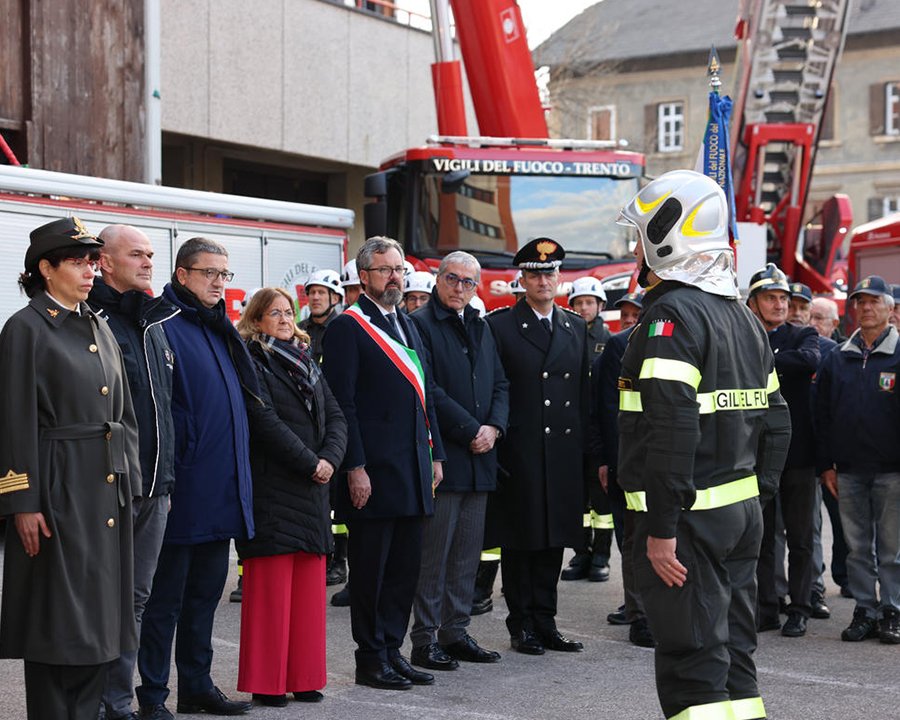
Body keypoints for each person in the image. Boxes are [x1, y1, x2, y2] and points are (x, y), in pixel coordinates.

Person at [617, 170, 791, 720]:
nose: (637, 247)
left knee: (692, 657)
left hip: (685, 525)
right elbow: (777, 422)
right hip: (739, 517)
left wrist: (663, 531)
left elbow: (671, 432)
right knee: (734, 652)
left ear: (669, 233)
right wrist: (756, 498)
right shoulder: (744, 317)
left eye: (643, 234)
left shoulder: (671, 316)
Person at [0, 217, 141, 720]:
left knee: (99, 633)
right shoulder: (26, 328)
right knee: (57, 626)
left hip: (103, 491)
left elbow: (122, 413)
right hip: (57, 490)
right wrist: (21, 502)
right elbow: (13, 422)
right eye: (78, 262)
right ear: (46, 268)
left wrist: (130, 483)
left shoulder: (97, 324)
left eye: (91, 261)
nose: (90, 270)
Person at [136, 237, 256, 719]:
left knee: (204, 597)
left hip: (221, 489)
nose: (219, 283)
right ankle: (152, 696)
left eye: (224, 275)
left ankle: (197, 686)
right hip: (182, 491)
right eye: (210, 274)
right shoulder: (162, 324)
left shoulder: (217, 324)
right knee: (164, 603)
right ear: (182, 275)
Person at [322, 236, 446, 690]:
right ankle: (370, 657)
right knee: (372, 573)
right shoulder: (347, 328)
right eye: (383, 270)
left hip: (412, 469)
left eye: (398, 269)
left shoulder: (408, 325)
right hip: (373, 473)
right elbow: (343, 405)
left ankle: (394, 649)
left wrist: (436, 455)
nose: (394, 277)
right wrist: (354, 466)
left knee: (403, 571)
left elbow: (424, 396)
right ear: (364, 277)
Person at [234, 287, 348, 706]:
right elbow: (262, 419)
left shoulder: (307, 361)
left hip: (314, 487)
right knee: (271, 592)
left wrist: (330, 459)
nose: (284, 320)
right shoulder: (250, 359)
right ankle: (267, 684)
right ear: (257, 320)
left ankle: (304, 676)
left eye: (287, 312)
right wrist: (310, 463)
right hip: (275, 487)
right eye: (274, 314)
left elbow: (335, 415)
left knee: (306, 592)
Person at [88, 224, 180, 720]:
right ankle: (100, 702)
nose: (149, 263)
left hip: (156, 488)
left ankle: (118, 703)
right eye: (137, 255)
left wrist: (168, 479)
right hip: (111, 490)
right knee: (104, 601)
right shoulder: (89, 319)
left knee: (136, 601)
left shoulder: (155, 322)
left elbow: (167, 408)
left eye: (151, 255)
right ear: (103, 261)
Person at [486, 237, 589, 656]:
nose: (543, 280)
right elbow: (496, 388)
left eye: (549, 273)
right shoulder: (500, 326)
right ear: (522, 279)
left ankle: (546, 622)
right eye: (534, 274)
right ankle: (521, 624)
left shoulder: (574, 326)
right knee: (520, 542)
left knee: (553, 542)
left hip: (562, 454)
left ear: (559, 277)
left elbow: (581, 393)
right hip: (523, 451)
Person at [408, 251, 509, 671]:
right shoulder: (419, 325)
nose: (460, 288)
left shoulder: (481, 326)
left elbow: (501, 383)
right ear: (438, 279)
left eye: (468, 282)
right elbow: (428, 388)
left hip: (482, 458)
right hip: (445, 456)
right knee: (435, 554)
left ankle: (456, 631)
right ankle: (425, 638)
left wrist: (495, 428)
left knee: (468, 553)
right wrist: (471, 429)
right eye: (453, 279)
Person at [815, 275, 900, 645]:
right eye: (859, 302)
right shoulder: (838, 357)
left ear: (890, 309)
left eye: (874, 301)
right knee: (856, 548)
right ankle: (865, 609)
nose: (866, 308)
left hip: (892, 471)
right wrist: (826, 465)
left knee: (893, 548)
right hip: (847, 471)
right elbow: (822, 416)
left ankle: (892, 610)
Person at [747, 264, 820, 638]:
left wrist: (758, 361)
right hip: (756, 454)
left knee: (801, 537)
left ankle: (801, 606)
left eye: (783, 298)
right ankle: (767, 607)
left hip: (799, 455)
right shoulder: (744, 334)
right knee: (762, 535)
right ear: (753, 302)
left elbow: (809, 360)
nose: (779, 304)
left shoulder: (803, 333)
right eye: (770, 297)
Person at [561, 276, 613, 583]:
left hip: (598, 432)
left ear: (600, 305)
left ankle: (602, 556)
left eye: (589, 302)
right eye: (578, 303)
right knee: (577, 500)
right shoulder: (568, 336)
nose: (583, 308)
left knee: (601, 502)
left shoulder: (610, 342)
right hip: (572, 431)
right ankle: (581, 553)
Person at [299, 268, 344, 363]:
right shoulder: (298, 330)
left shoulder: (343, 329)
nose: (315, 297)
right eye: (312, 292)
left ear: (335, 298)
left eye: (321, 292)